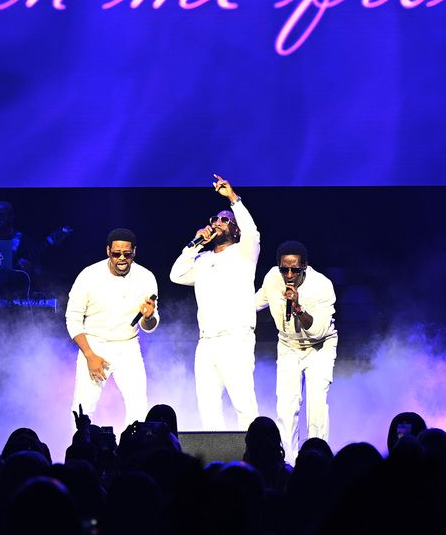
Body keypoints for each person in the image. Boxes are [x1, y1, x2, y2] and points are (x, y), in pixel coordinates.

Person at [169, 174, 260, 429]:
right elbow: (176, 275)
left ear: (235, 230)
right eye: (215, 220)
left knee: (243, 404)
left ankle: (254, 451)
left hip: (235, 338)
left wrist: (233, 199)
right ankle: (213, 454)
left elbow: (252, 232)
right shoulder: (202, 259)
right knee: (208, 406)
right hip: (206, 341)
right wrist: (195, 244)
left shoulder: (244, 254)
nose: (218, 223)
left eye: (225, 220)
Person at [65, 229, 160, 427]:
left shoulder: (146, 277)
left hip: (128, 346)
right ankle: (81, 445)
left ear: (134, 252)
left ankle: (131, 446)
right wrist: (90, 355)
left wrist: (149, 317)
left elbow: (148, 326)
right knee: (83, 407)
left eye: (127, 254)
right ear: (108, 251)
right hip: (94, 344)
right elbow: (72, 318)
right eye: (116, 254)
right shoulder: (89, 276)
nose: (122, 259)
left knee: (138, 406)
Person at [256, 240, 338, 451]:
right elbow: (255, 303)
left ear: (305, 266)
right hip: (288, 345)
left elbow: (318, 331)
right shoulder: (272, 278)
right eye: (284, 269)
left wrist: (298, 308)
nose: (289, 275)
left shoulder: (322, 285)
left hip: (319, 347)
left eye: (295, 269)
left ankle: (316, 457)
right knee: (286, 407)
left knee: (316, 405)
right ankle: (287, 460)